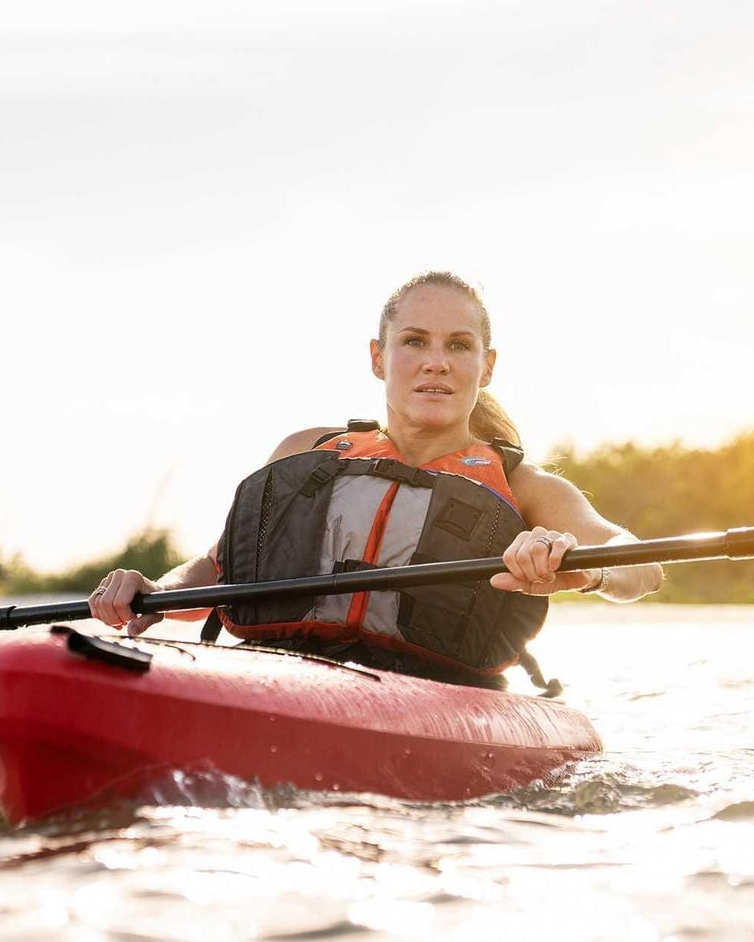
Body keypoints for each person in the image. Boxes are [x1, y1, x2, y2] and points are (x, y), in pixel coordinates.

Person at [90, 271, 663, 685]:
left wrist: (573, 569)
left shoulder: (527, 488)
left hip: (436, 696)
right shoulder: (305, 454)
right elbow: (219, 571)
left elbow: (640, 566)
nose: (435, 361)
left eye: (458, 345)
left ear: (486, 367)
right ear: (378, 357)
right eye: (414, 341)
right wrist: (157, 594)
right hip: (281, 675)